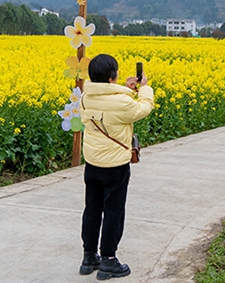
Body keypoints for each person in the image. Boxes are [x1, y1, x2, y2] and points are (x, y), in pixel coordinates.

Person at [79, 54, 154, 280]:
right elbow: (143, 108)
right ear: (112, 77)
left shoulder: (85, 97)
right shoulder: (122, 102)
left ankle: (89, 258)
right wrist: (144, 89)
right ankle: (108, 260)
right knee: (113, 212)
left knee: (92, 210)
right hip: (115, 167)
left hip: (92, 164)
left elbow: (108, 102)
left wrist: (125, 89)